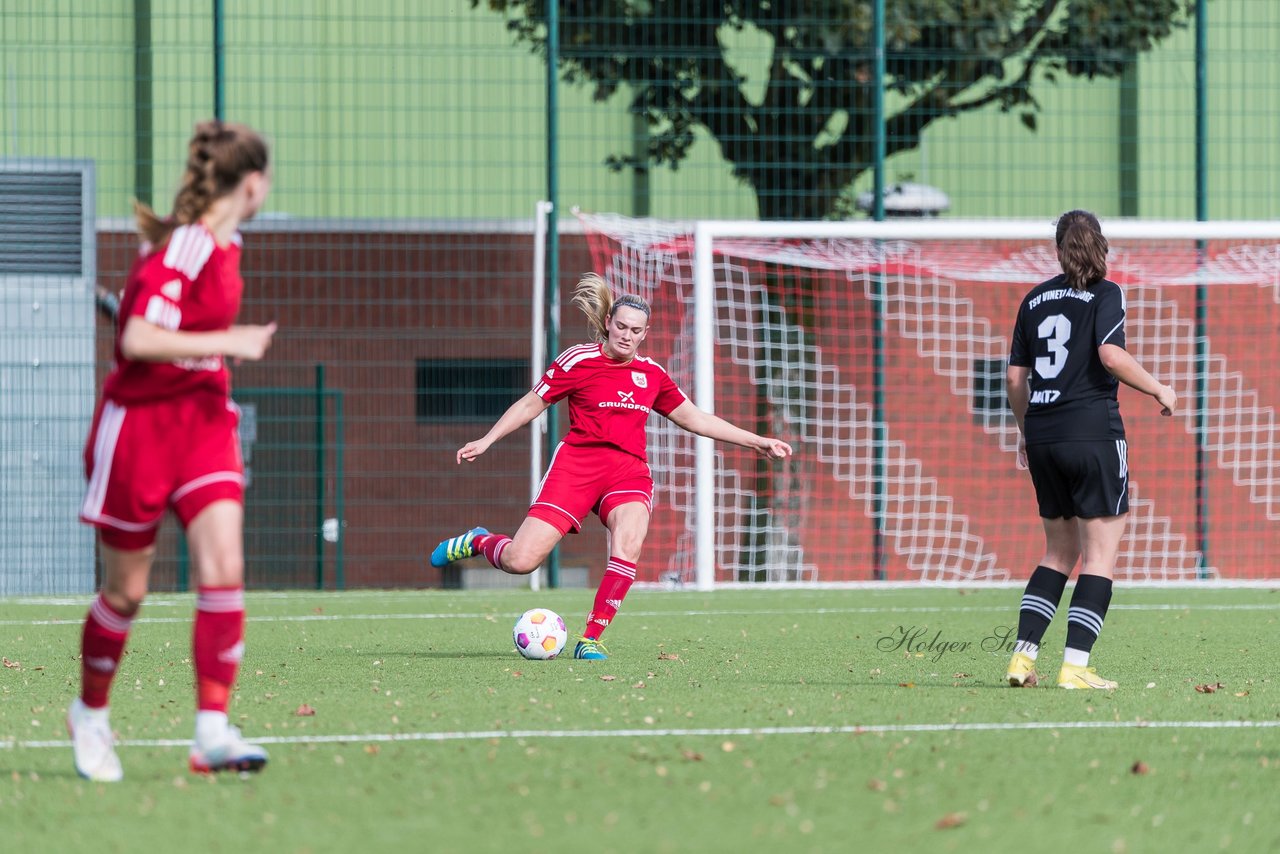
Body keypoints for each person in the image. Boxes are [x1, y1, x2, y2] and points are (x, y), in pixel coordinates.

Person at [430, 274, 793, 659]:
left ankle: (590, 638)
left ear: (644, 333)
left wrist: (757, 440)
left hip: (628, 471)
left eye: (635, 330)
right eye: (621, 326)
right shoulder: (578, 360)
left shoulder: (652, 375)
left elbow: (695, 417)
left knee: (629, 544)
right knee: (521, 561)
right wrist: (487, 439)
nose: (626, 335)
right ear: (608, 323)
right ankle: (477, 541)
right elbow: (530, 403)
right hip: (577, 466)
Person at [70, 120, 277, 781]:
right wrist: (234, 342)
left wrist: (217, 353)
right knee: (126, 592)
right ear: (252, 183)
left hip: (204, 421)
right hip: (139, 430)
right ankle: (91, 714)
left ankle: (212, 730)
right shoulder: (186, 247)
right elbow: (136, 338)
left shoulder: (227, 244)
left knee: (224, 562)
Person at [1004, 210, 1177, 690]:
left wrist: (1024, 429)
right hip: (1092, 434)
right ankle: (1075, 667)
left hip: (1042, 434)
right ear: (1100, 245)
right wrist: (1160, 389)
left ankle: (1022, 660)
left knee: (1058, 552)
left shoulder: (1034, 298)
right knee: (1098, 557)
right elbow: (1110, 354)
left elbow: (1016, 378)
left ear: (1058, 249)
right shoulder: (1107, 292)